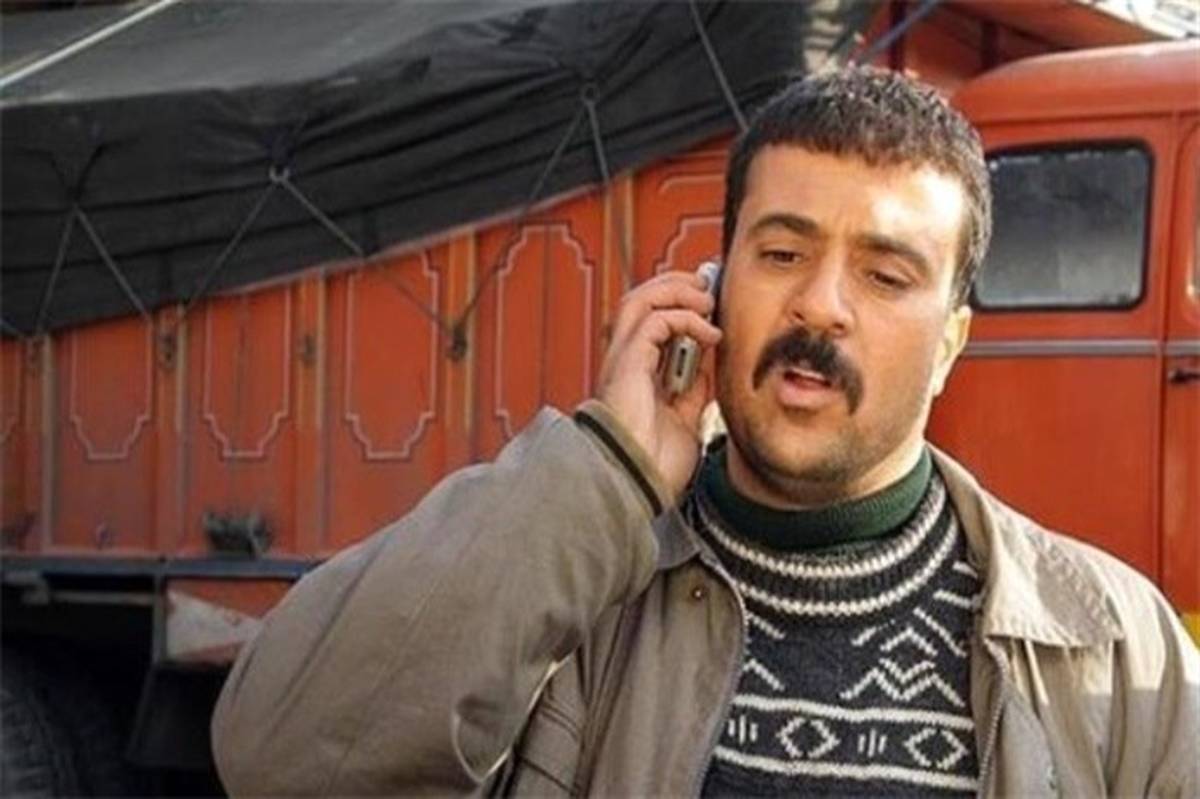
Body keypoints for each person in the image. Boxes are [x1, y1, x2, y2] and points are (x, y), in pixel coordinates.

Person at [211, 66, 1199, 797]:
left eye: (884, 275)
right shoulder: (574, 590)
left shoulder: (1114, 646)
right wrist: (608, 467)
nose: (820, 305)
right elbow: (281, 757)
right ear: (713, 290)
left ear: (949, 345)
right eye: (783, 253)